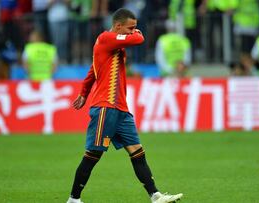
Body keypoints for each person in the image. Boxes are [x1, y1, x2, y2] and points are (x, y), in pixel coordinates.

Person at [67, 8, 183, 203]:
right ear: (118, 26)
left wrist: (83, 93)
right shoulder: (106, 38)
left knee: (137, 152)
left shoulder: (112, 45)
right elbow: (138, 40)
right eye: (130, 28)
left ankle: (155, 196)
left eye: (135, 28)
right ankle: (73, 199)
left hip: (120, 109)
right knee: (93, 154)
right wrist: (137, 33)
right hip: (106, 107)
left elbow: (92, 72)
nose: (133, 31)